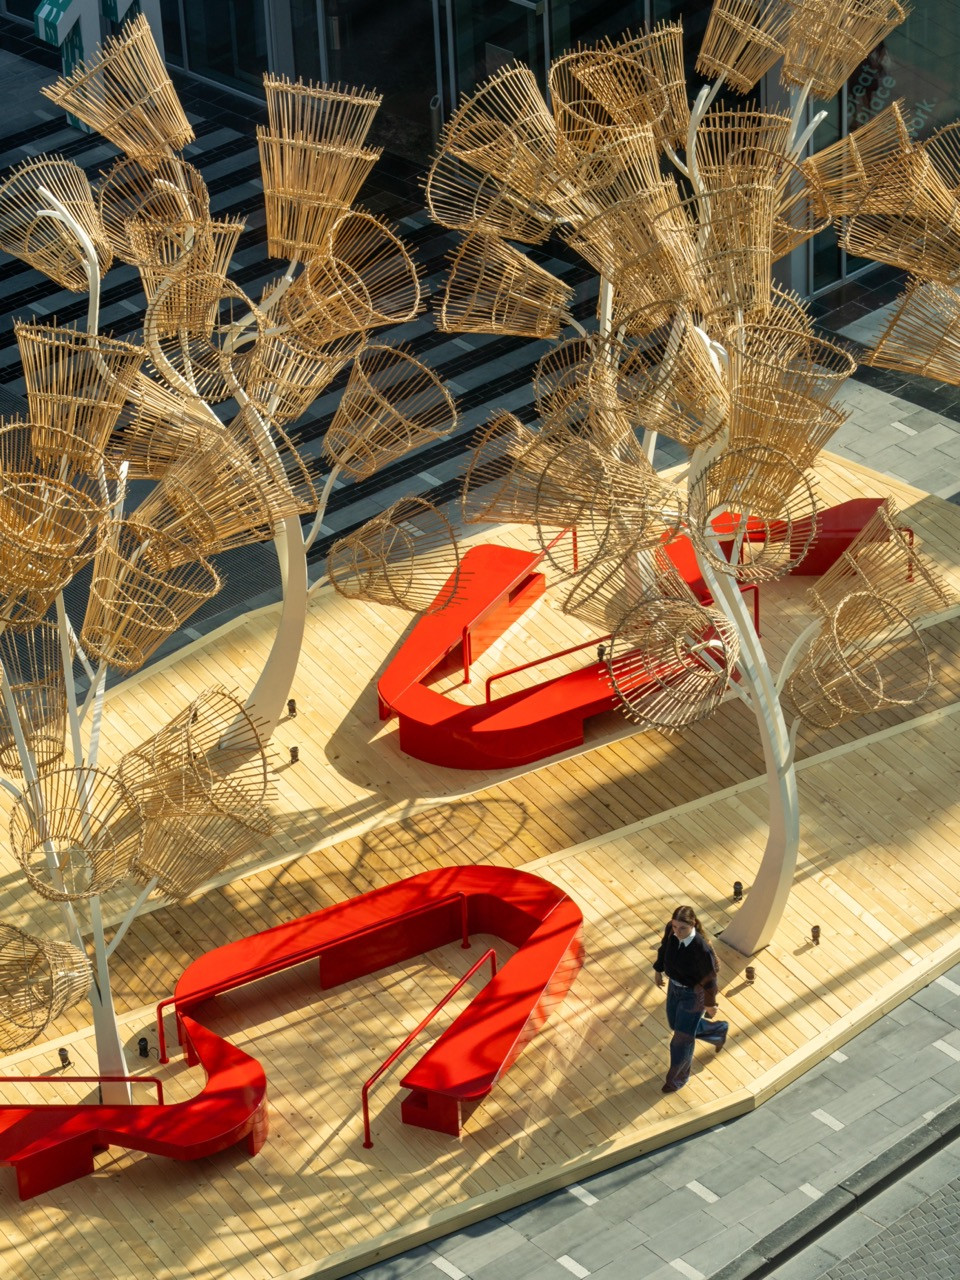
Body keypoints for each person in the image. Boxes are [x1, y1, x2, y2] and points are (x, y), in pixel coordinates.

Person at [653, 904, 728, 1093]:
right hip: (674, 988)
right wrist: (658, 969)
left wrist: (710, 1004)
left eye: (682, 928)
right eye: (675, 926)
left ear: (693, 924)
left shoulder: (701, 949)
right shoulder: (671, 931)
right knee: (675, 1024)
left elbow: (710, 979)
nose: (677, 932)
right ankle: (718, 1031)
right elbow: (664, 948)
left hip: (694, 995)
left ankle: (677, 1079)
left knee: (681, 1041)